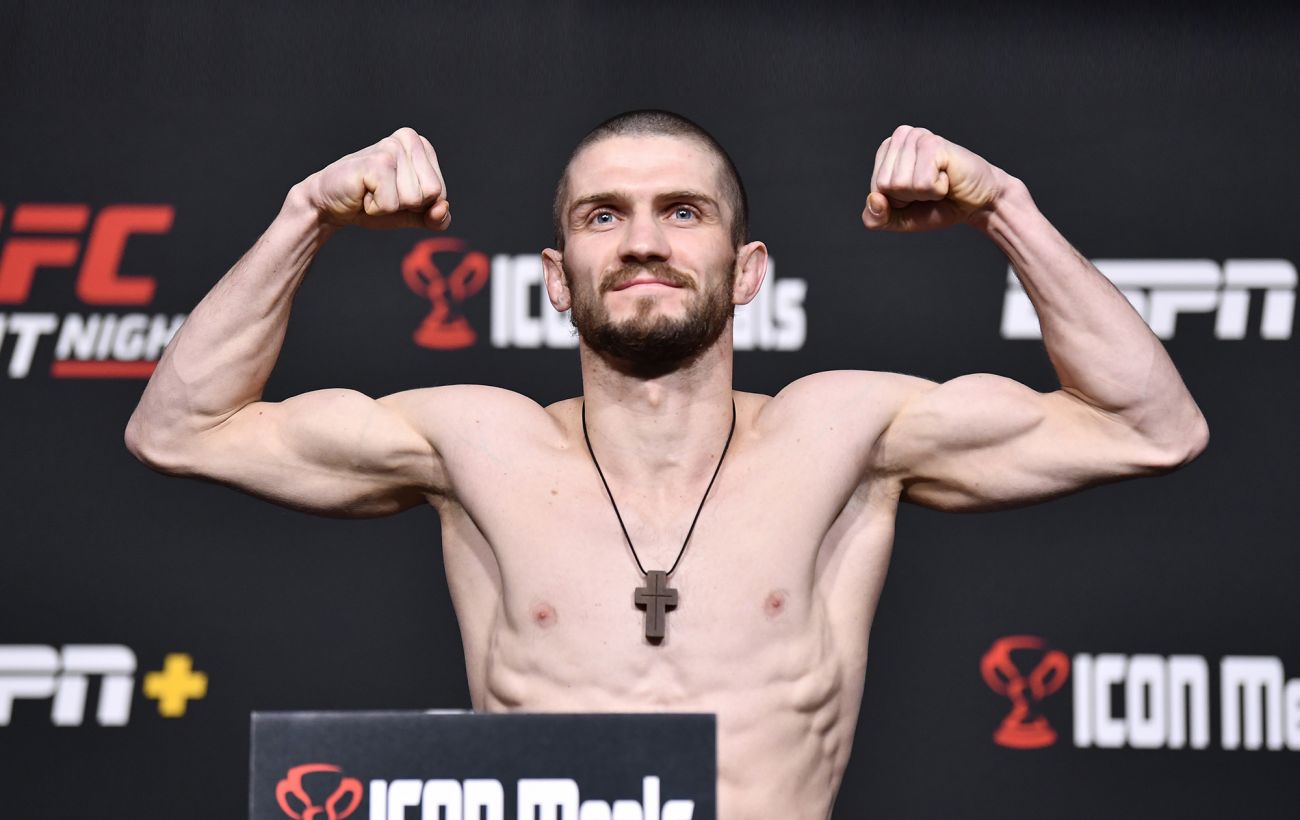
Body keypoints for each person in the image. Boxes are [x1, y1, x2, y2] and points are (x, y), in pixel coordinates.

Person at [125, 110, 1208, 819]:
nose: (643, 242)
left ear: (747, 270)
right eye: (604, 217)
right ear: (557, 277)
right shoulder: (476, 442)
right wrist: (306, 213)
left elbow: (1149, 427)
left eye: (681, 213)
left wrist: (1004, 206)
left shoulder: (844, 433)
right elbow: (180, 428)